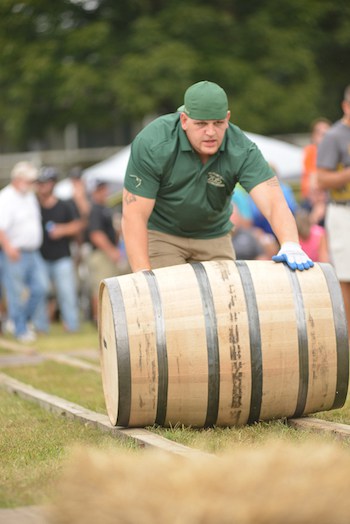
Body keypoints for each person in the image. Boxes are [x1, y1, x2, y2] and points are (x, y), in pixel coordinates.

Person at [122, 80, 313, 272]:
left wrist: (290, 244)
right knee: (172, 298)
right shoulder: (153, 143)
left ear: (227, 118)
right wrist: (143, 275)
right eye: (201, 124)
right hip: (162, 234)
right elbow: (134, 215)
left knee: (227, 299)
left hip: (214, 234)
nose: (211, 132)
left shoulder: (241, 149)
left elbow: (274, 203)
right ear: (184, 120)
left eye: (218, 123)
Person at [0, 161, 47, 342]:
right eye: (30, 181)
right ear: (18, 179)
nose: (33, 184)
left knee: (41, 288)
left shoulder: (29, 197)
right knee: (16, 293)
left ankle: (20, 321)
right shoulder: (5, 197)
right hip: (16, 252)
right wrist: (9, 248)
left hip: (33, 252)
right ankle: (20, 329)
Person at [317, 84, 350, 335]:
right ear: (345, 106)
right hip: (343, 211)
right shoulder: (334, 136)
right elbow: (322, 179)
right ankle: (347, 339)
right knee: (346, 277)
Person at [35, 166, 82, 332]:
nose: (41, 186)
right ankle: (41, 327)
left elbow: (78, 225)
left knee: (67, 294)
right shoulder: (34, 206)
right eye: (39, 183)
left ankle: (72, 326)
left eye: (45, 183)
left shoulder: (64, 205)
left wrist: (62, 230)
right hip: (40, 257)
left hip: (62, 257)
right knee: (40, 293)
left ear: (53, 184)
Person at [86, 179, 124, 324]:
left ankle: (107, 321)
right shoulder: (95, 209)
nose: (104, 192)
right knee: (100, 289)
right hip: (101, 254)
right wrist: (112, 251)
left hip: (107, 253)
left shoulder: (105, 208)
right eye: (100, 189)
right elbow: (96, 235)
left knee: (109, 288)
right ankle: (99, 321)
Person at [301, 118, 331, 200]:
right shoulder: (311, 150)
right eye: (320, 134)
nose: (324, 137)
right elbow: (312, 175)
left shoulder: (331, 152)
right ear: (313, 136)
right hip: (313, 194)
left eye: (326, 134)